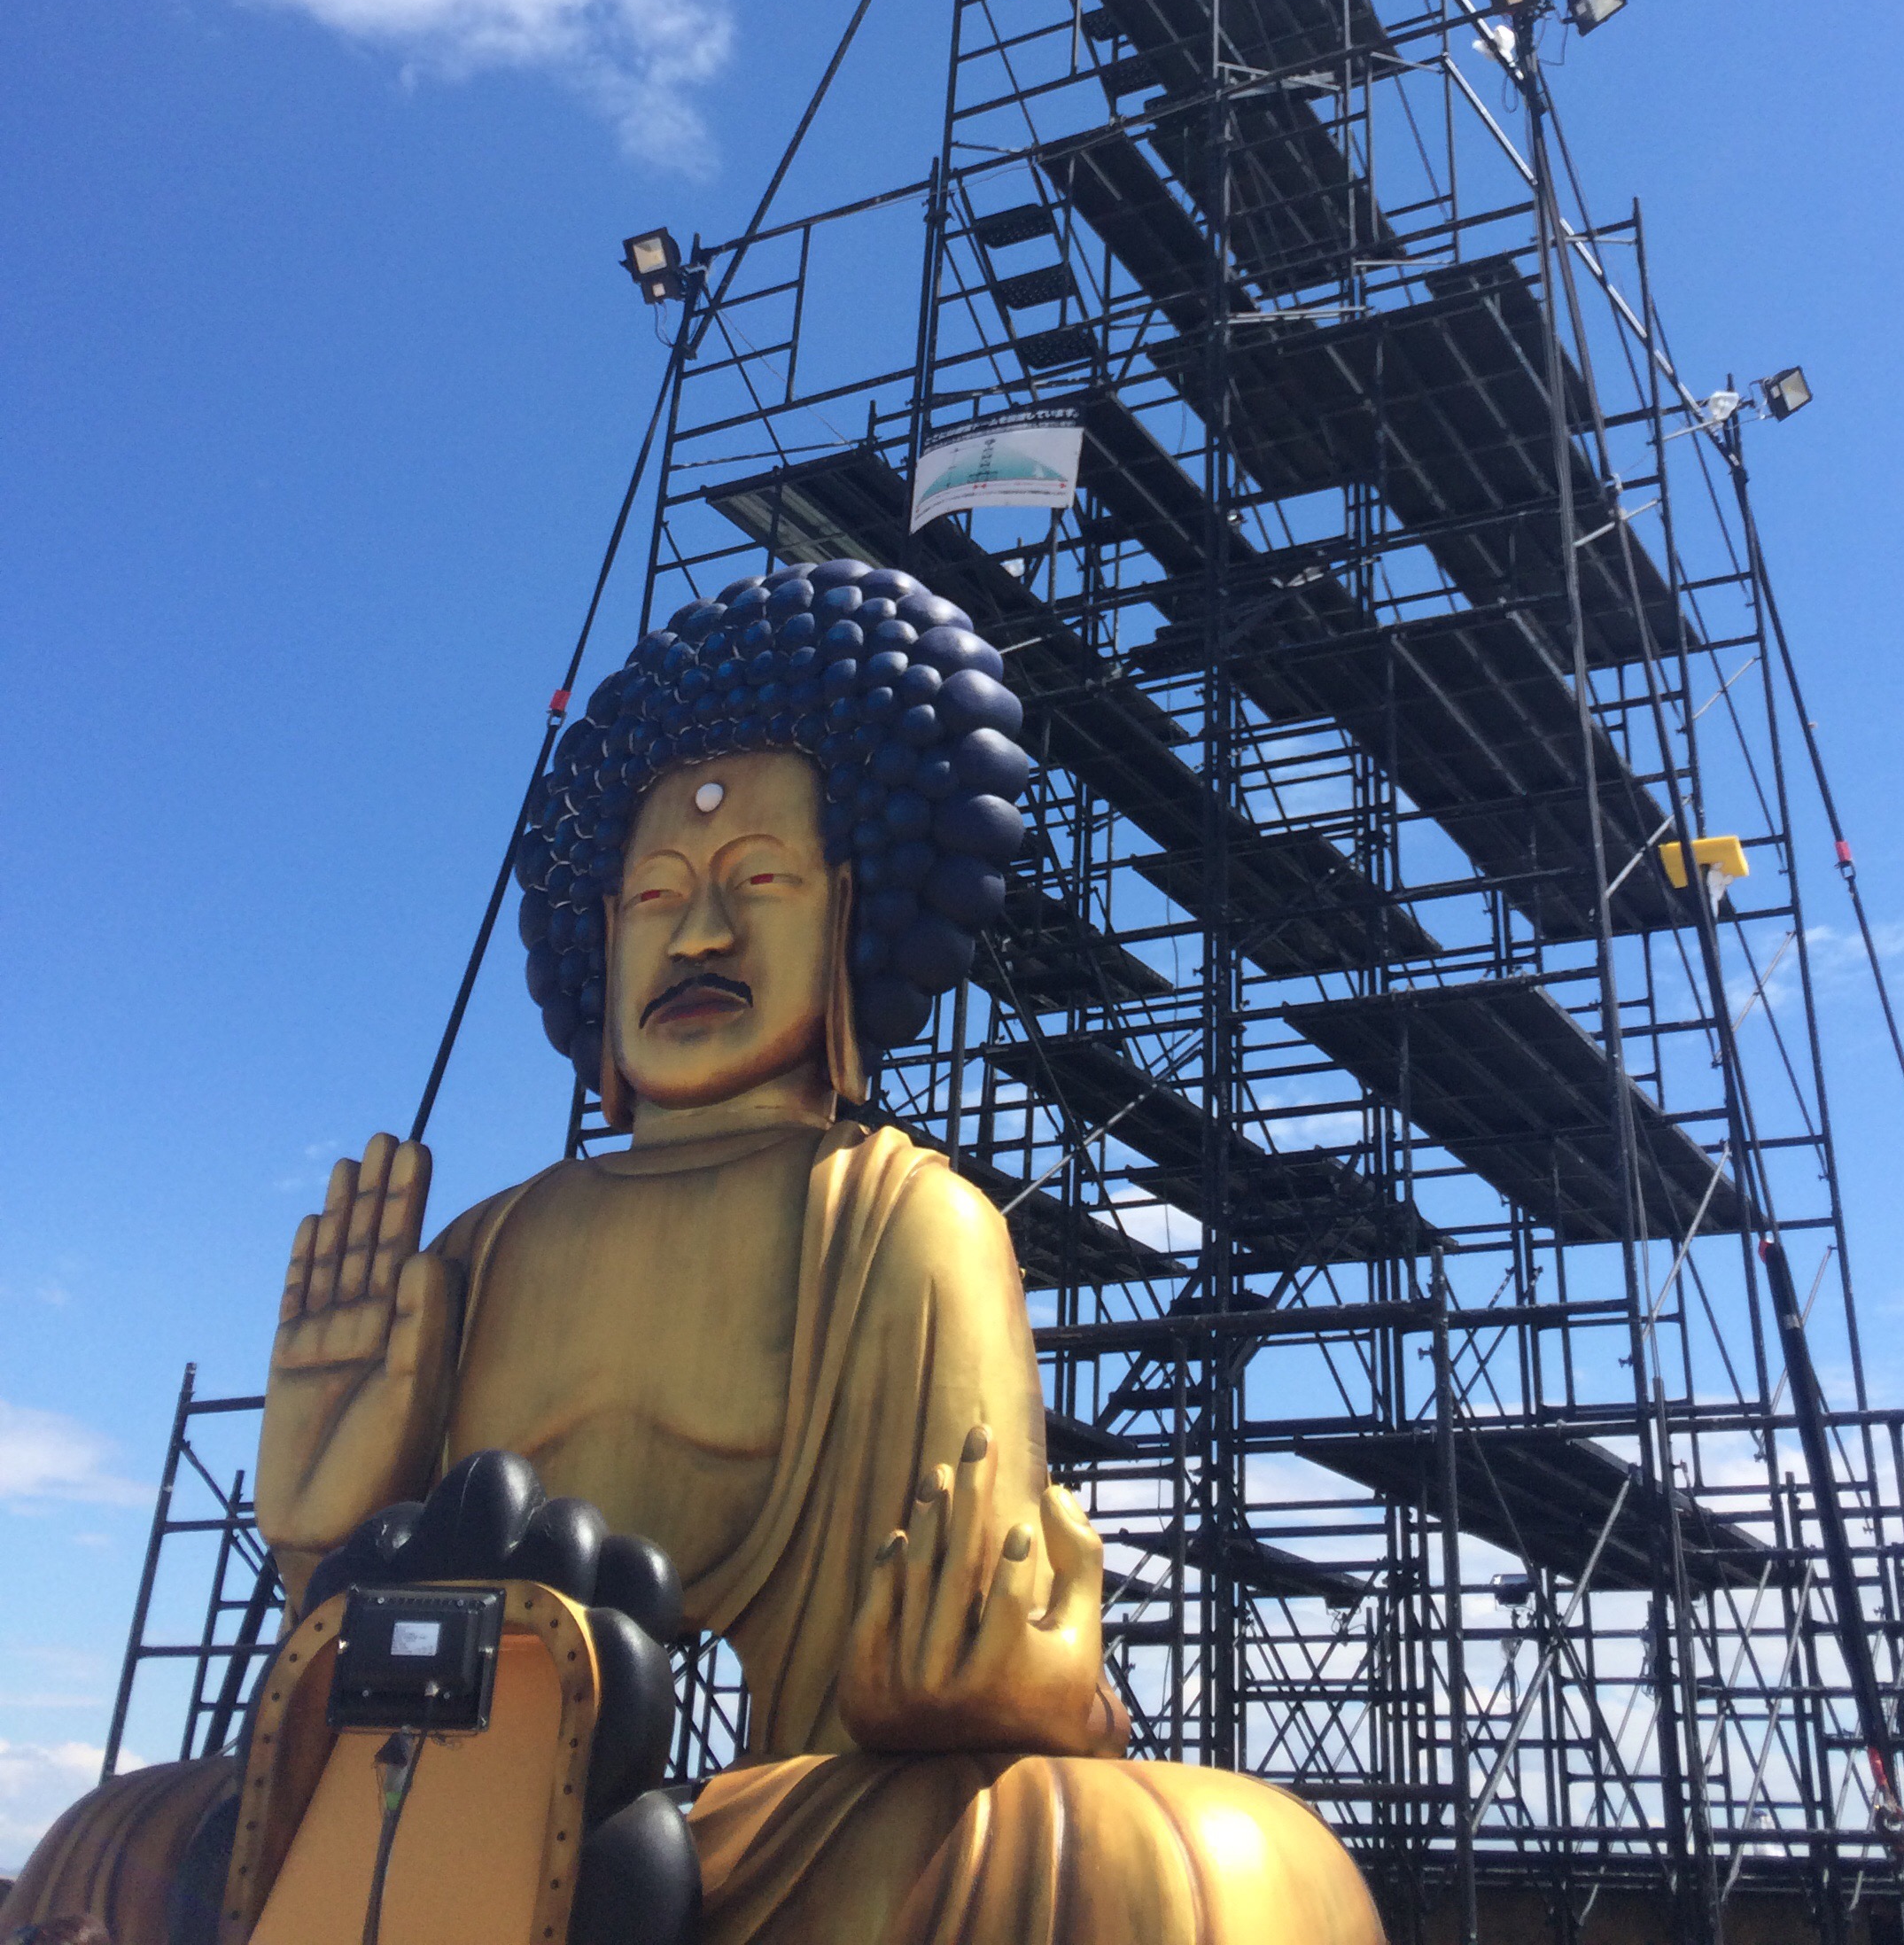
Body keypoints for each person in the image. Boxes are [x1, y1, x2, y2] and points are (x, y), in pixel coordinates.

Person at [5, 567, 1381, 1945]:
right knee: (115, 1844)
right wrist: (321, 1538)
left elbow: (961, 1618)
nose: (702, 933)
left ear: (854, 908)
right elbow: (386, 1666)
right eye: (658, 896)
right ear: (603, 934)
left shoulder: (898, 1221)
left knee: (1164, 1871)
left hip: (779, 1834)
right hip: (457, 1807)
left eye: (759, 883)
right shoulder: (487, 1248)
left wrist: (990, 1681)